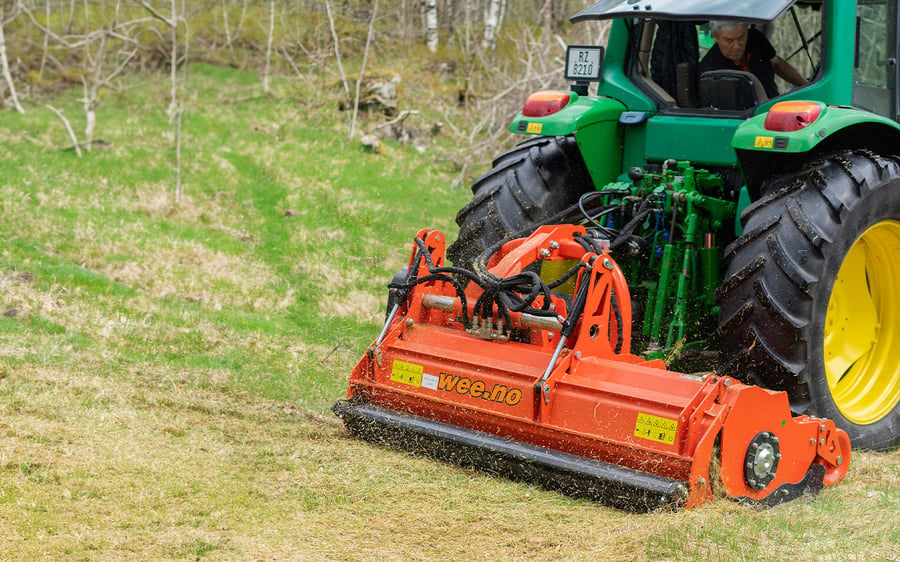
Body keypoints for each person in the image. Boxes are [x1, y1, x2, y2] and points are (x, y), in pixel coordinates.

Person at [699, 21, 807, 98]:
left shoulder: (755, 39)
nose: (737, 46)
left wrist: (806, 86)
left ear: (747, 29)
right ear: (715, 37)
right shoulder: (710, 71)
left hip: (776, 108)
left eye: (741, 37)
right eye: (728, 40)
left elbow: (776, 63)